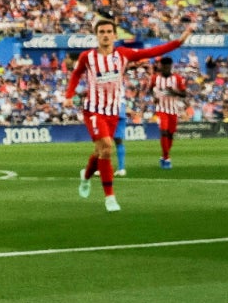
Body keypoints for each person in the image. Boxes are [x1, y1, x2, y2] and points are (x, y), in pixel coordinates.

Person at [66, 18, 193, 212]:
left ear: (115, 35)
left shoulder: (123, 55)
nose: (106, 35)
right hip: (93, 109)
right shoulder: (87, 57)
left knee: (101, 150)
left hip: (113, 111)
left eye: (109, 31)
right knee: (107, 146)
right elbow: (75, 75)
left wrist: (179, 41)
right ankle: (110, 198)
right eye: (102, 32)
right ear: (96, 35)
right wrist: (69, 96)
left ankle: (85, 177)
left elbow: (152, 52)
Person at [148, 56, 188, 169]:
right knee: (164, 132)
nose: (165, 68)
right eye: (163, 66)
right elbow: (150, 90)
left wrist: (174, 92)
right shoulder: (155, 78)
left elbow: (184, 94)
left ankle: (164, 155)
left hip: (173, 110)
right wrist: (154, 97)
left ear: (171, 66)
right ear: (161, 66)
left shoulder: (177, 78)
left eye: (167, 66)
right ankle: (167, 158)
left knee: (170, 134)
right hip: (161, 109)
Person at [113, 99, 128, 177]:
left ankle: (101, 168)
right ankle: (121, 168)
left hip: (109, 108)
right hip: (121, 109)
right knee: (118, 141)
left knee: (102, 140)